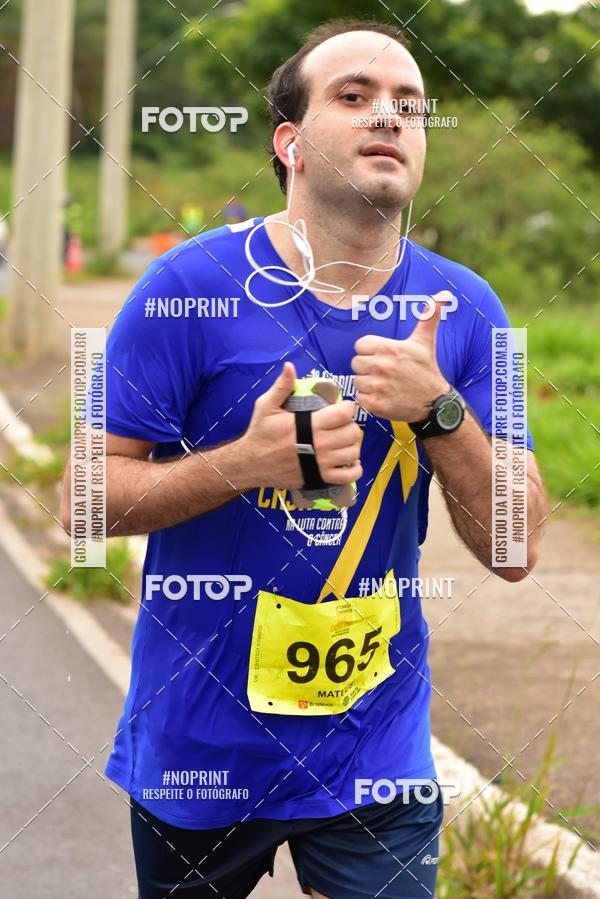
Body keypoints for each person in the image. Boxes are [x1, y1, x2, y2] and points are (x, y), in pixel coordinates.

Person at [61, 18, 547, 899]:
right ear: (289, 142)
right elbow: (81, 504)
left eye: (410, 104)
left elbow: (515, 547)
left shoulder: (472, 309)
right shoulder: (181, 288)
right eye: (354, 97)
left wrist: (440, 413)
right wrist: (243, 463)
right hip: (198, 752)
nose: (390, 116)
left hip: (375, 751)